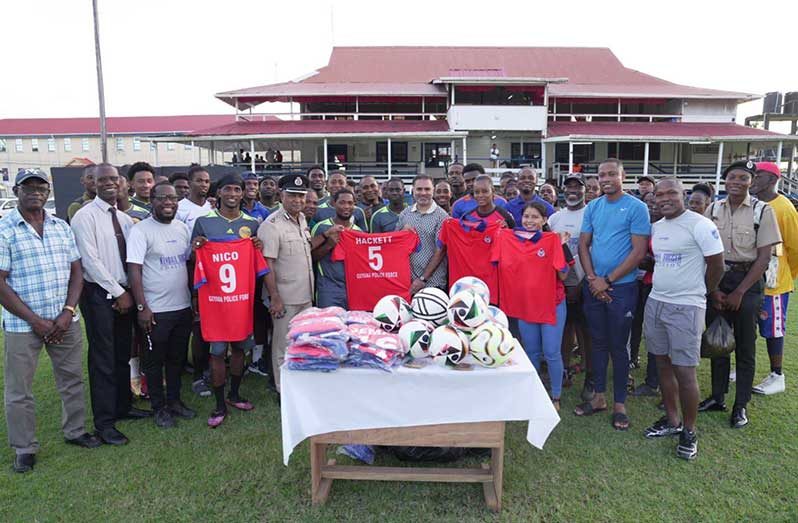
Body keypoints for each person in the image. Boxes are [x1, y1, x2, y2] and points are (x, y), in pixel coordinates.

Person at [0, 169, 102, 473]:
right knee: (19, 390)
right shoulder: (4, 229)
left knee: (72, 378)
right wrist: (36, 321)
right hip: (22, 325)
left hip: (64, 320)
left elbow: (77, 271)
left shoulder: (60, 226)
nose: (35, 192)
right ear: (17, 190)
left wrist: (68, 311)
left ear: (48, 191)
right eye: (28, 187)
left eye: (41, 187)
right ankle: (24, 447)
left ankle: (75, 431)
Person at [643, 178, 725, 460]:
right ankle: (672, 420)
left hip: (686, 307)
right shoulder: (658, 227)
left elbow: (717, 265)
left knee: (685, 371)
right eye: (659, 194)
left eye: (671, 193)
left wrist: (703, 291)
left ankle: (689, 430)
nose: (664, 198)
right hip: (656, 302)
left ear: (683, 195)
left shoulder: (700, 225)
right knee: (662, 364)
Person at [71, 164, 153, 446]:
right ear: (92, 183)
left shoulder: (125, 219)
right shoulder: (85, 217)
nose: (109, 183)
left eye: (113, 178)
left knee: (121, 354)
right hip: (99, 295)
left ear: (121, 183)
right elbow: (90, 262)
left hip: (123, 294)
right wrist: (119, 292)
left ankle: (122, 406)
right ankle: (105, 423)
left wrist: (126, 293)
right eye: (102, 179)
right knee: (103, 359)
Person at [700, 160, 781, 428]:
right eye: (732, 177)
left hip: (747, 281)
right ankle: (717, 396)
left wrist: (740, 292)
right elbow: (705, 250)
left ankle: (740, 405)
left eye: (743, 178)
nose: (736, 182)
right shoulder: (713, 208)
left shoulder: (762, 210)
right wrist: (713, 290)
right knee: (717, 341)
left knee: (745, 346)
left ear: (751, 181)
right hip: (718, 278)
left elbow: (764, 257)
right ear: (725, 181)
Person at [575, 159, 650, 431]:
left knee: (619, 347)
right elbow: (584, 244)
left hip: (622, 288)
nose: (606, 178)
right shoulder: (593, 206)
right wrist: (594, 279)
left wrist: (608, 281)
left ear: (622, 176)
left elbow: (638, 252)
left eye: (611, 174)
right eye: (601, 175)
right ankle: (598, 398)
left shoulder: (636, 207)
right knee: (597, 343)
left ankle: (620, 404)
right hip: (594, 285)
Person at [191, 173, 264, 427]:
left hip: (242, 300)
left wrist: (257, 246)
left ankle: (234, 394)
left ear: (243, 194)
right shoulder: (204, 222)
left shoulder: (252, 224)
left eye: (237, 189)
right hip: (215, 302)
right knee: (218, 351)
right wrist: (196, 246)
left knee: (240, 348)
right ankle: (219, 404)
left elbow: (258, 261)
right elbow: (194, 260)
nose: (233, 194)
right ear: (218, 193)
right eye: (227, 189)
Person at [127, 182, 195, 428]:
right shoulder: (141, 230)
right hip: (155, 310)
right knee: (154, 362)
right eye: (162, 198)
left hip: (182, 306)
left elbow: (189, 262)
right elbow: (134, 270)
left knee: (176, 358)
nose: (168, 202)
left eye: (173, 198)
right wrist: (142, 307)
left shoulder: (182, 228)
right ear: (152, 201)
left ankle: (175, 401)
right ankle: (159, 407)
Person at [495, 201, 569, 411]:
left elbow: (563, 274)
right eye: (526, 216)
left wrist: (560, 246)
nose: (529, 221)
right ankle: (533, 393)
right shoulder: (509, 239)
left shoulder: (553, 240)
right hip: (525, 304)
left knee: (552, 352)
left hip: (551, 304)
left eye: (535, 217)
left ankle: (556, 395)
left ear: (544, 220)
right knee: (532, 352)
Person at [258, 175, 327, 395]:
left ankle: (299, 384)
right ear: (281, 195)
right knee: (282, 345)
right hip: (284, 296)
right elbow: (267, 263)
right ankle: (282, 390)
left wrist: (326, 236)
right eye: (292, 195)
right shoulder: (271, 225)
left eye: (301, 196)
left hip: (305, 294)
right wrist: (275, 296)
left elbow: (305, 250)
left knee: (302, 343)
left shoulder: (302, 220)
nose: (297, 200)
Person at [749, 162, 798, 395]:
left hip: (774, 282)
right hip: (751, 278)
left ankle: (777, 375)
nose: (754, 179)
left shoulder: (784, 207)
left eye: (759, 176)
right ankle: (745, 368)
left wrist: (787, 276)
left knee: (773, 329)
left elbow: (795, 247)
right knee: (747, 326)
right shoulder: (752, 203)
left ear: (772, 180)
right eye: (754, 175)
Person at [548, 174, 592, 401]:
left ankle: (588, 373)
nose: (573, 191)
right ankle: (563, 369)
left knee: (586, 331)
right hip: (562, 283)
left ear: (585, 190)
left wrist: (584, 280)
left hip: (587, 280)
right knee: (564, 328)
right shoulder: (555, 218)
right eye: (569, 187)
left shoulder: (591, 214)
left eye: (578, 187)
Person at [174, 165, 213, 396]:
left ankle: (208, 368)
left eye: (207, 181)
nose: (204, 185)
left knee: (208, 324)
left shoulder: (212, 208)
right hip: (187, 272)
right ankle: (196, 374)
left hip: (211, 274)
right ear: (189, 183)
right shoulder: (179, 209)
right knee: (194, 325)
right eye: (199, 180)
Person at [629, 191, 662, 396]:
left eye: (655, 202)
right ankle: (634, 358)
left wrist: (650, 262)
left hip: (658, 284)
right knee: (636, 322)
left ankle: (655, 380)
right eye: (648, 202)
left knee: (656, 333)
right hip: (638, 282)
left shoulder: (668, 226)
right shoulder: (644, 225)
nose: (652, 206)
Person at [399, 176, 450, 295]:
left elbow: (440, 251)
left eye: (427, 189)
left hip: (433, 283)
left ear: (433, 191)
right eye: (419, 189)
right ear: (413, 191)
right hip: (409, 282)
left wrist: (423, 279)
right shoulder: (405, 214)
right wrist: (402, 231)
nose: (423, 193)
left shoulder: (442, 217)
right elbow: (397, 243)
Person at [311, 189, 361, 308]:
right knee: (328, 325)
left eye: (350, 203)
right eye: (342, 202)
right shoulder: (321, 227)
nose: (346, 206)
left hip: (352, 288)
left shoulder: (359, 232)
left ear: (355, 205)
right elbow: (311, 258)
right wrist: (328, 245)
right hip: (328, 288)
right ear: (334, 203)